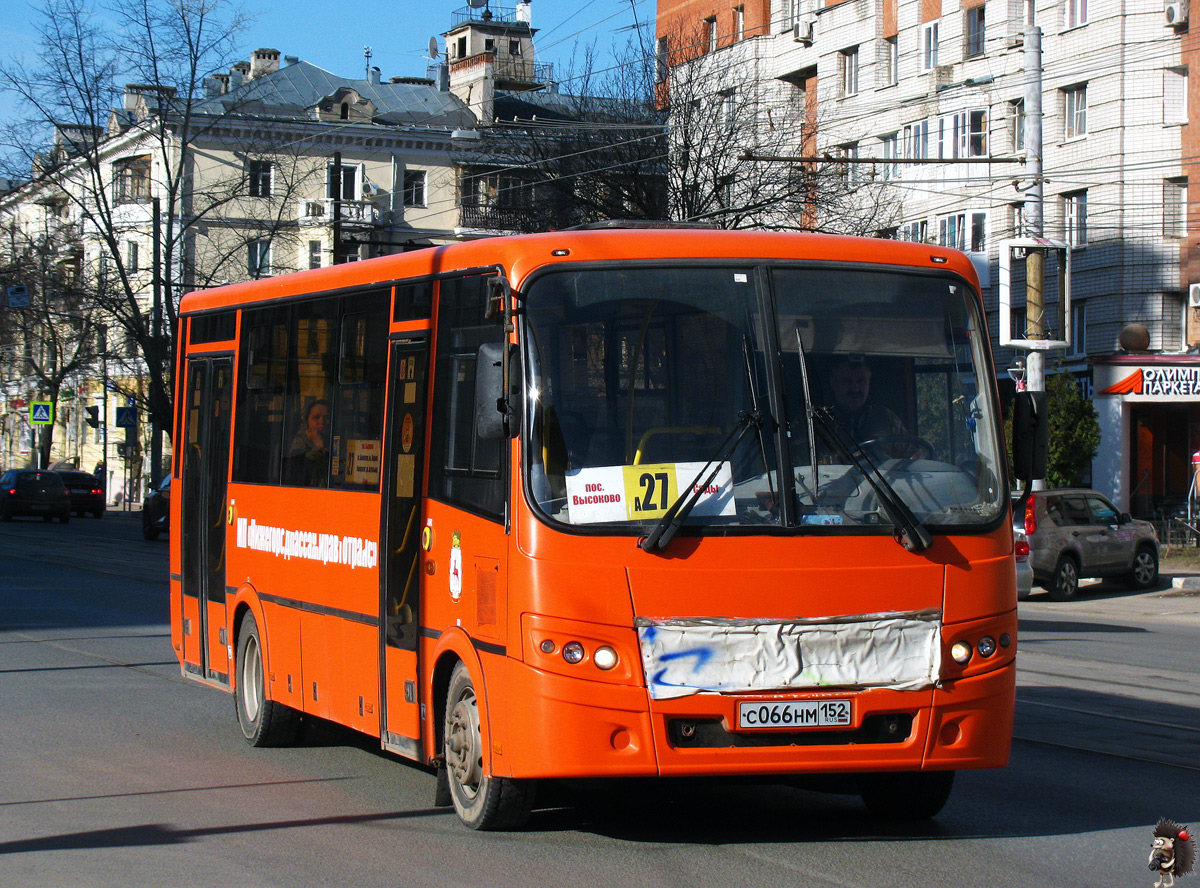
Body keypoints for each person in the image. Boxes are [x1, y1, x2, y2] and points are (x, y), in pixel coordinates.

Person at [284, 398, 331, 486]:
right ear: (307, 421)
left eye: (327, 417)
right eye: (316, 417)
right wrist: (319, 445)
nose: (321, 421)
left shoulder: (338, 442)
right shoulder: (298, 444)